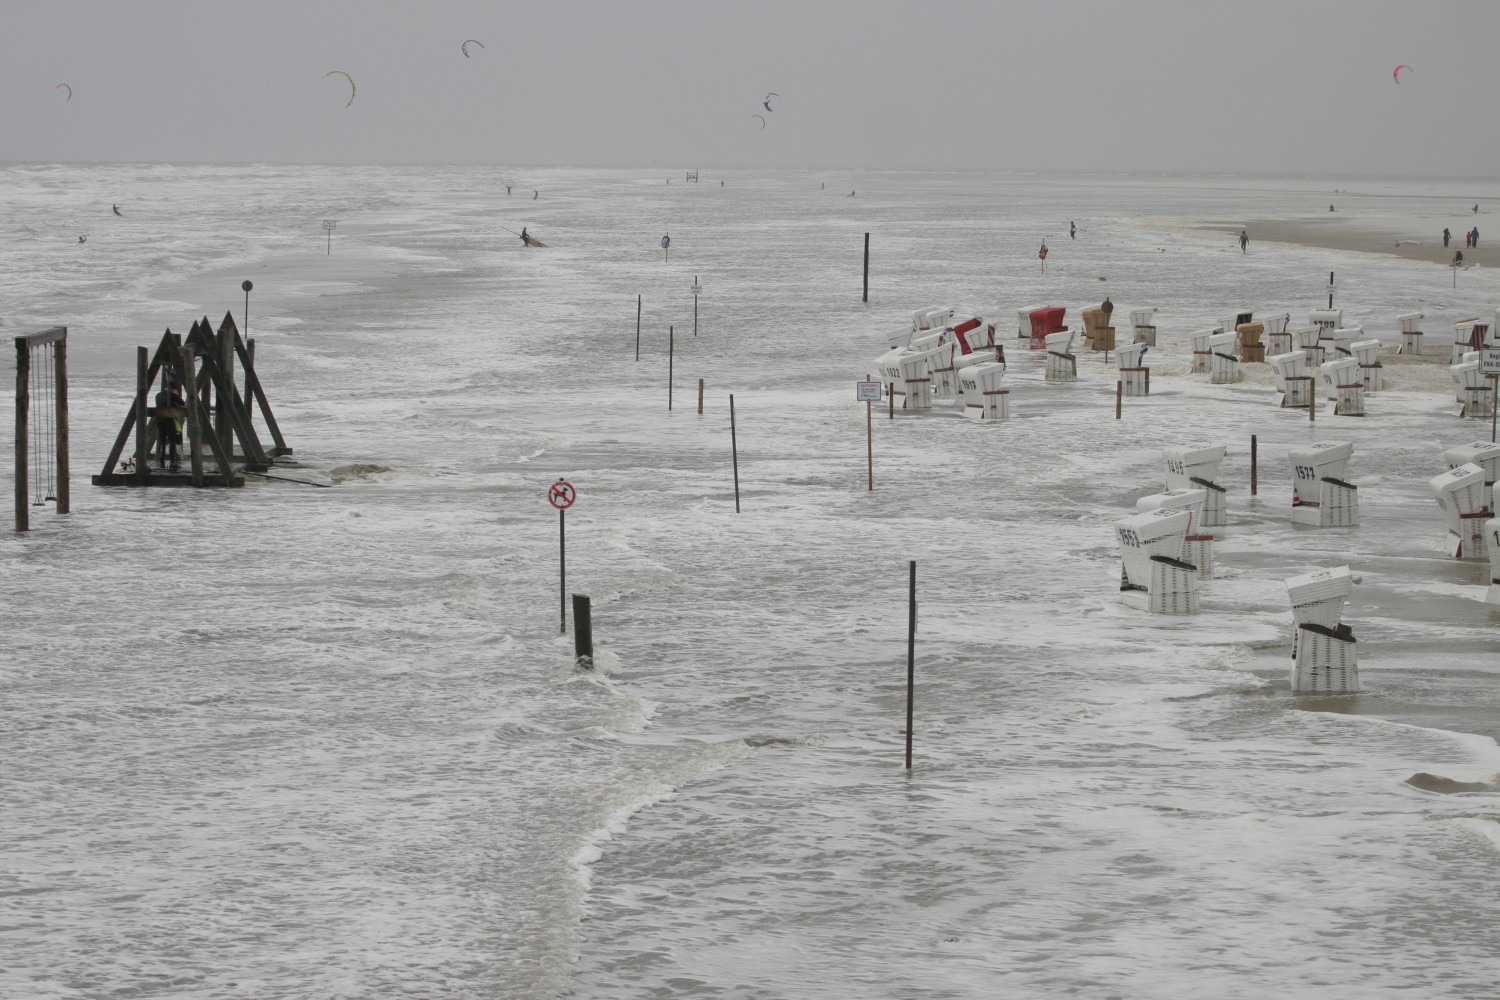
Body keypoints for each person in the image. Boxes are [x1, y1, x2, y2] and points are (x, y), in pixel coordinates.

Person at [154, 379, 184, 471]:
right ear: (173, 389)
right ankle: (172, 462)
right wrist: (176, 394)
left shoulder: (158, 395)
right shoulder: (172, 395)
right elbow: (182, 403)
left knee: (162, 442)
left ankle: (162, 462)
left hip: (160, 421)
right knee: (172, 442)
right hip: (169, 421)